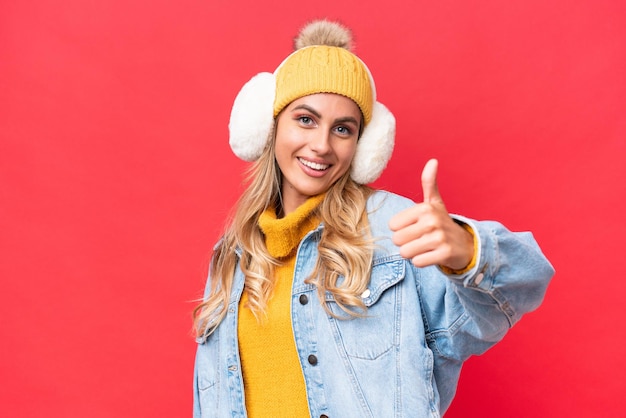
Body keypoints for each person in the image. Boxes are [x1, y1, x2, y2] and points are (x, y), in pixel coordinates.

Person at [192, 19, 554, 418]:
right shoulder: (231, 256)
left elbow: (524, 284)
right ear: (269, 124)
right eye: (306, 119)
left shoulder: (395, 230)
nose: (321, 145)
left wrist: (468, 250)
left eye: (343, 129)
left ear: (362, 147)